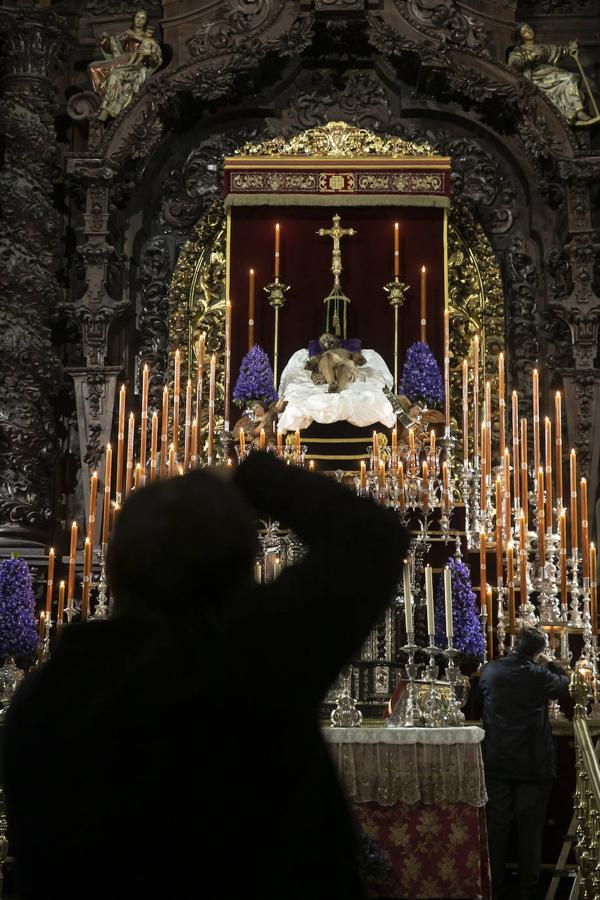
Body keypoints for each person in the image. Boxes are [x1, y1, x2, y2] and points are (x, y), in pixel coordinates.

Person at [3, 451, 408, 900]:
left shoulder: (42, 700)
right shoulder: (250, 659)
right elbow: (371, 537)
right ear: (241, 570)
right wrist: (249, 475)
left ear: (116, 567)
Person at [478, 626, 570, 900]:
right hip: (533, 762)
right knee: (530, 829)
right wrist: (549, 662)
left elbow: (481, 691)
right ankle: (528, 890)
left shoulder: (491, 670)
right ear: (537, 651)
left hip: (497, 759)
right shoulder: (538, 674)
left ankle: (495, 886)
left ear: (516, 645)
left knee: (497, 826)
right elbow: (565, 683)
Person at [508, 23, 590, 124]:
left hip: (551, 73)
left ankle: (575, 110)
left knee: (572, 77)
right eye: (524, 32)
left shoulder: (543, 47)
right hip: (537, 77)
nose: (528, 32)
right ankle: (576, 111)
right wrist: (532, 56)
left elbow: (559, 51)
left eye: (528, 28)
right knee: (568, 78)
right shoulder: (518, 50)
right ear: (521, 36)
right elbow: (514, 65)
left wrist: (570, 48)